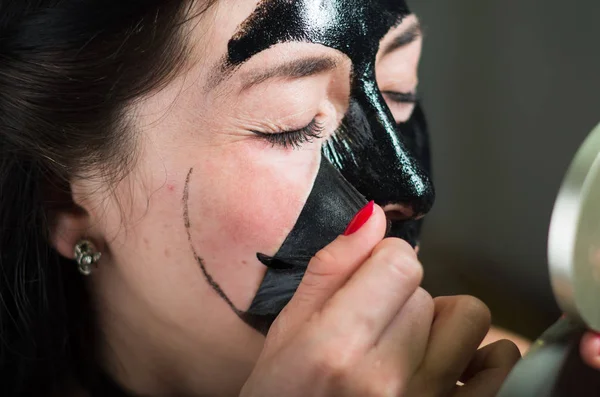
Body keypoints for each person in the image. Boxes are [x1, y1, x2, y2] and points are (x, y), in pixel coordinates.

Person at [0, 0, 538, 396]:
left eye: (400, 89)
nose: (411, 189)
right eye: (293, 124)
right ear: (64, 198)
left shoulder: (510, 372)